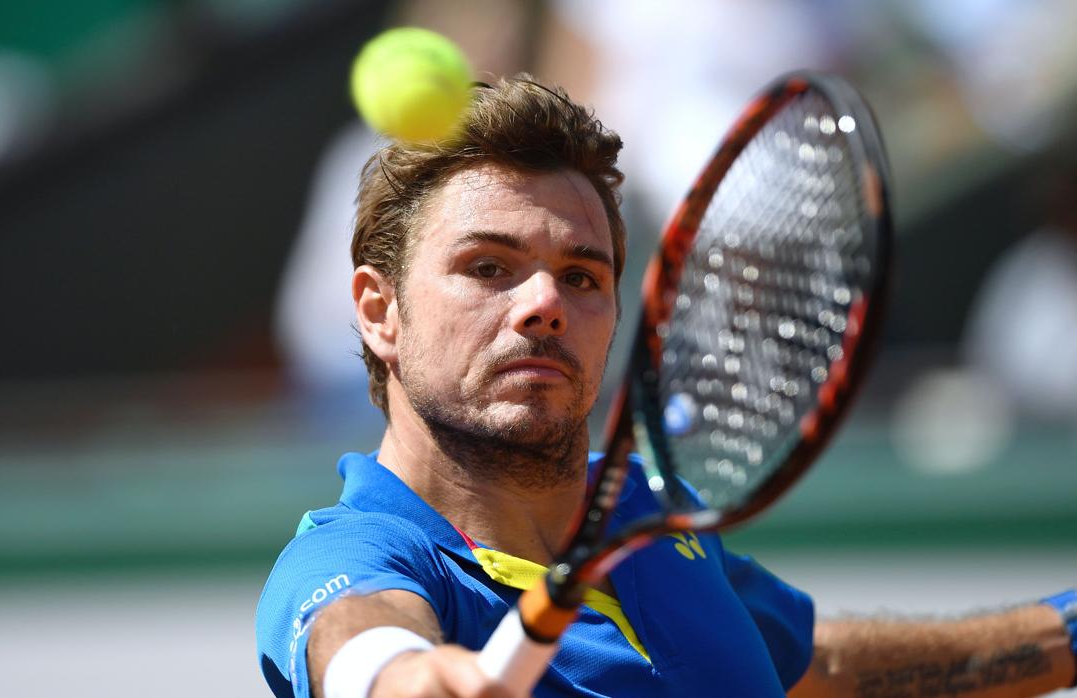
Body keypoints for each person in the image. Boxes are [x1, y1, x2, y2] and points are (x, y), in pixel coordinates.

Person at [256, 76, 1077, 698]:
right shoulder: (352, 555)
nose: (544, 305)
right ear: (378, 312)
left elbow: (811, 659)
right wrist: (409, 677)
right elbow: (362, 640)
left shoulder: (649, 514)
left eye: (581, 277)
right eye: (488, 268)